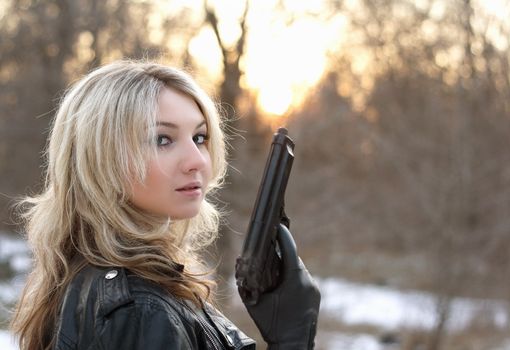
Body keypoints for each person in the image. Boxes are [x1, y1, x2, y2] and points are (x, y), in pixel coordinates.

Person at [10, 60, 320, 350]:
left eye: (199, 137)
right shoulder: (140, 311)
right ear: (101, 160)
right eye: (162, 139)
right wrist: (291, 339)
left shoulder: (111, 284)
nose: (197, 160)